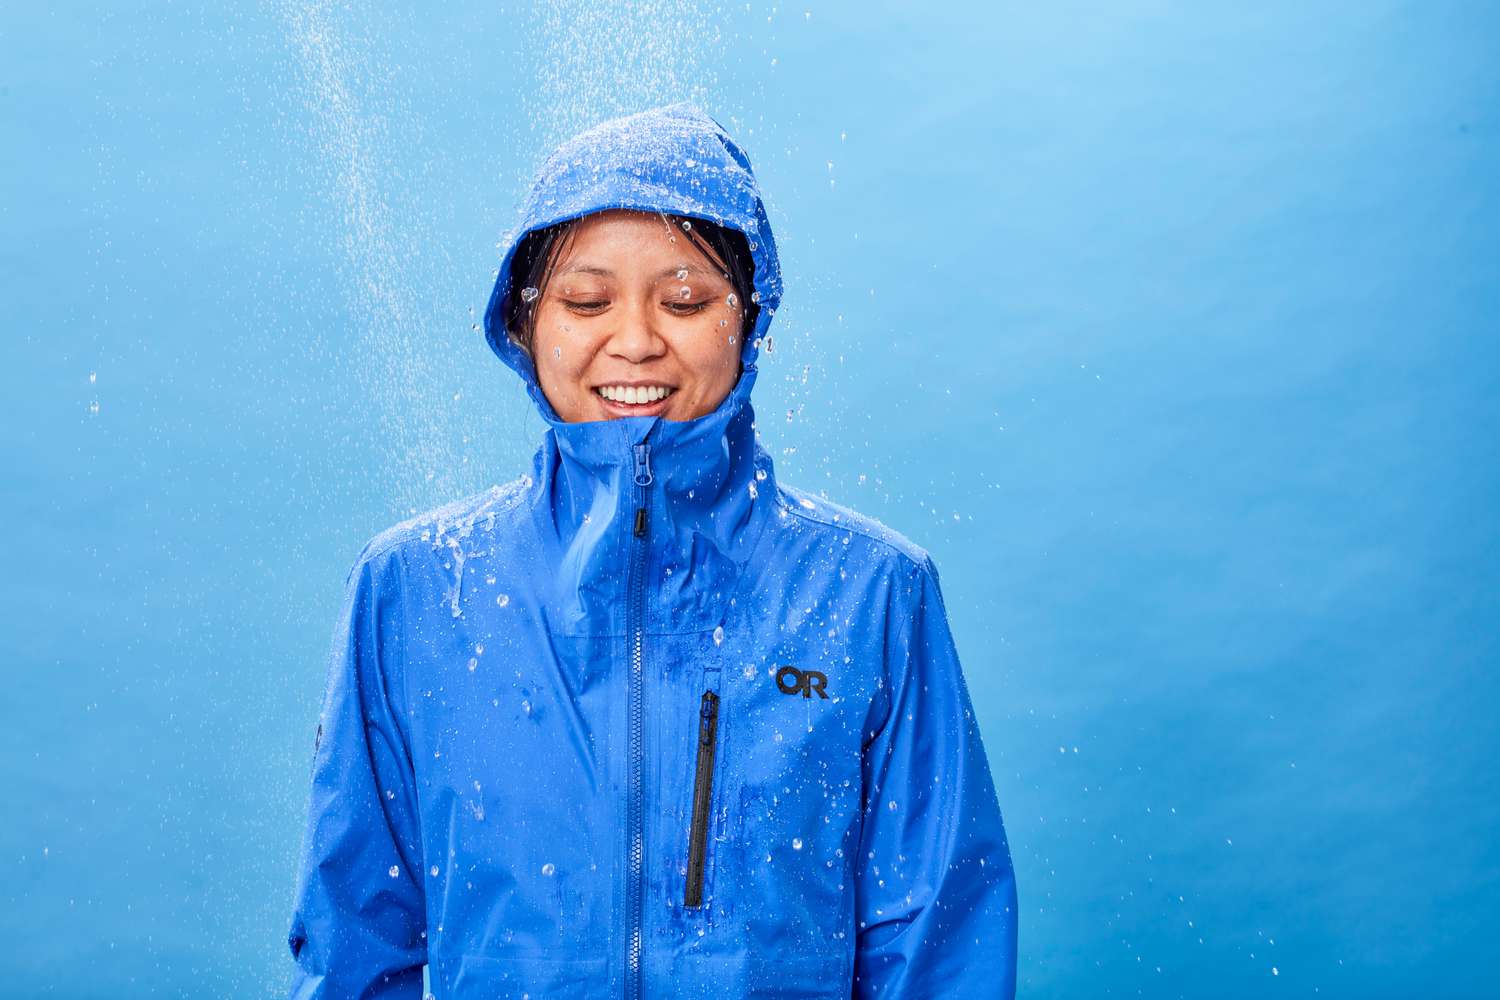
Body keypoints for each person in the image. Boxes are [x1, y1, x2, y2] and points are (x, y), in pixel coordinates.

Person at [286, 101, 1018, 999]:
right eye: (586, 301)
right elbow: (353, 940)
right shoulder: (413, 591)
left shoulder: (871, 595)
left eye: (683, 299)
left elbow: (938, 947)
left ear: (747, 319)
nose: (633, 340)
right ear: (524, 324)